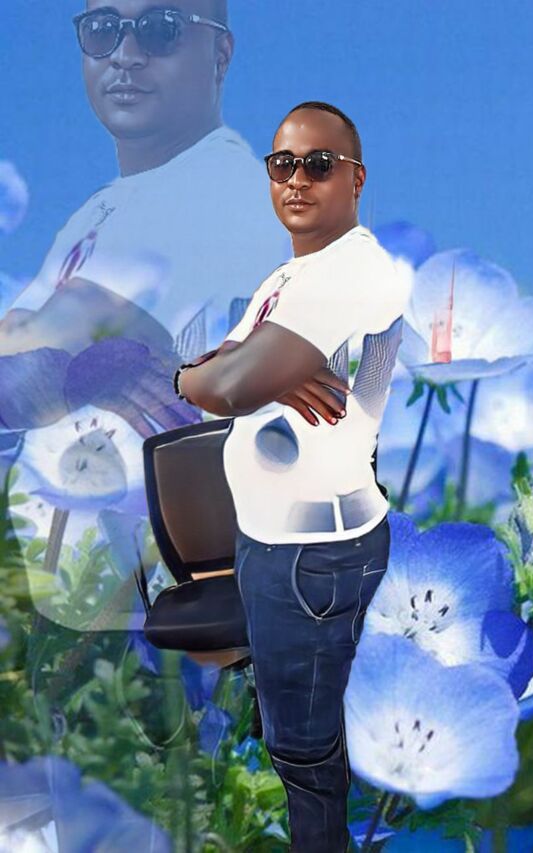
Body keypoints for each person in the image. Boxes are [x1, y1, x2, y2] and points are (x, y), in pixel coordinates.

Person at [0, 0, 287, 633]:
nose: (125, 56)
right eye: (103, 30)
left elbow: (41, 358)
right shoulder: (101, 209)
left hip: (143, 605)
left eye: (161, 30)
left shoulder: (216, 187)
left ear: (220, 54)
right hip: (70, 590)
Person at [178, 101, 411, 853]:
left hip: (313, 550)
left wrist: (239, 375)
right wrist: (235, 372)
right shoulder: (290, 274)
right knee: (291, 721)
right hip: (270, 540)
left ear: (356, 179)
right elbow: (212, 375)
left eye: (318, 165)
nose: (297, 180)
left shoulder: (354, 270)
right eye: (283, 164)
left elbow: (226, 386)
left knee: (304, 749)